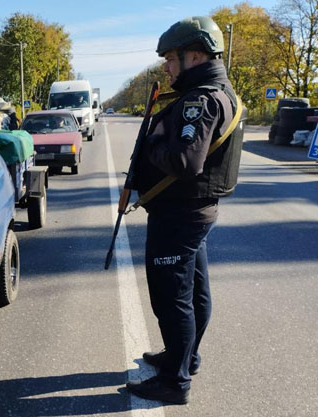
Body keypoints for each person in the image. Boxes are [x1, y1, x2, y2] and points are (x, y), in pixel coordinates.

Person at [126, 16, 243, 404]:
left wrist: (153, 142)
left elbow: (184, 162)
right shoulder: (219, 92)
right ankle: (183, 357)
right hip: (194, 211)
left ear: (195, 55)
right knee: (194, 290)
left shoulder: (201, 100)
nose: (166, 66)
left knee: (171, 295)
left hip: (181, 215)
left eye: (170, 58)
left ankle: (175, 382)